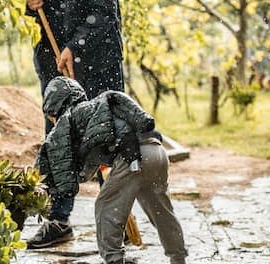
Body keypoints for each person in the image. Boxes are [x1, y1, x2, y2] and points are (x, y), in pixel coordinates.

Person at [13, 0, 125, 248]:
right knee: (59, 139)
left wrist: (73, 47)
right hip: (56, 63)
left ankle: (116, 221)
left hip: (97, 62)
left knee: (104, 137)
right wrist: (31, 3)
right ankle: (58, 221)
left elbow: (104, 15)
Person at [34, 77, 187, 264]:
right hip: (156, 151)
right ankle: (178, 257)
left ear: (55, 106)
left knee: (106, 206)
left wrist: (50, 184)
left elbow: (56, 153)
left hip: (133, 158)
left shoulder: (68, 119)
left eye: (51, 115)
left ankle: (114, 260)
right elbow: (91, 163)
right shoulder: (96, 111)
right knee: (161, 210)